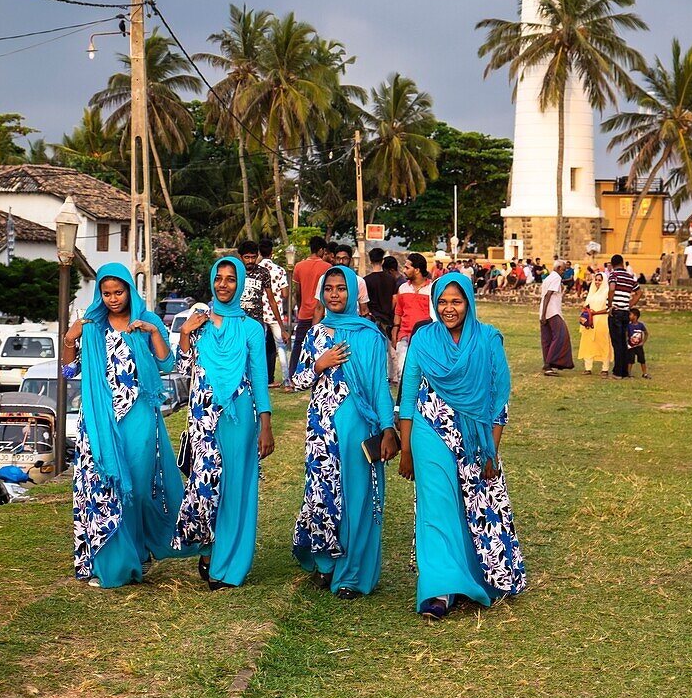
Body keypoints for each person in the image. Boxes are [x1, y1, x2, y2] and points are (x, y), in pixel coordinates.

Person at [398, 272, 526, 620]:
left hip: (475, 439)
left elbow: (498, 401)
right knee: (436, 509)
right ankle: (439, 590)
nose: (448, 308)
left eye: (456, 301)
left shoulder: (488, 340)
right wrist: (407, 448)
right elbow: (408, 395)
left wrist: (491, 451)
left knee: (473, 506)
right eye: (442, 301)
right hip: (430, 431)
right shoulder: (424, 339)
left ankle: (473, 576)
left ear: (469, 302)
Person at [67, 262, 189, 588]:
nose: (112, 299)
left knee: (137, 488)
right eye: (106, 293)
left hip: (139, 414)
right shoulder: (92, 325)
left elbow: (167, 362)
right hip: (101, 417)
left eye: (118, 292)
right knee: (108, 488)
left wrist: (153, 333)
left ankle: (144, 549)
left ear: (129, 290)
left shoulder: (145, 320)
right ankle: (120, 564)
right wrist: (69, 339)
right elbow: (69, 369)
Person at [292, 266, 397, 598]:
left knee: (358, 498)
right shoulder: (315, 334)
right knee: (323, 495)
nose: (335, 294)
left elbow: (380, 387)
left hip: (359, 428)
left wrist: (388, 429)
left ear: (353, 293)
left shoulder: (370, 335)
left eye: (341, 288)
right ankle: (326, 564)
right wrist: (318, 364)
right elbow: (297, 381)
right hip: (322, 429)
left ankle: (351, 574)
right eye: (329, 289)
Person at [172, 257, 274, 589]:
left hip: (239, 415)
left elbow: (259, 377)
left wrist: (266, 422)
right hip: (202, 415)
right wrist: (185, 334)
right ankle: (207, 548)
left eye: (231, 279)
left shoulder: (251, 328)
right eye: (219, 278)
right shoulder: (197, 322)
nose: (224, 284)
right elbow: (184, 367)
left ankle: (229, 564)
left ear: (240, 283)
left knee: (235, 488)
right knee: (204, 485)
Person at [289, 236, 330, 381]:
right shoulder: (327, 267)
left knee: (298, 345)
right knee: (321, 346)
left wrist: (300, 307)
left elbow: (298, 291)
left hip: (304, 312)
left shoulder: (299, 266)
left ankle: (293, 375)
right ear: (320, 250)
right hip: (321, 313)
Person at [392, 253, 433, 382]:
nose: (404, 271)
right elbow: (398, 312)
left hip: (425, 338)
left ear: (417, 270)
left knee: (423, 377)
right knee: (403, 374)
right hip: (404, 336)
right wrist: (395, 334)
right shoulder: (403, 288)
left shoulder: (432, 289)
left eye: (407, 267)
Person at [258, 238, 290, 389]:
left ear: (259, 252)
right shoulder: (279, 270)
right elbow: (284, 293)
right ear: (272, 252)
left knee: (256, 347)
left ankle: (258, 380)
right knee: (280, 347)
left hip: (257, 313)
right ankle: (286, 379)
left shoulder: (255, 270)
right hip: (274, 313)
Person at [607, 254, 641, 379]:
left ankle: (617, 372)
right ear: (622, 263)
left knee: (617, 343)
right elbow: (638, 292)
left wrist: (610, 305)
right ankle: (624, 371)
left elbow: (611, 289)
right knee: (623, 341)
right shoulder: (629, 276)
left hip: (615, 312)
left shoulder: (613, 275)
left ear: (612, 264)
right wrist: (630, 304)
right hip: (625, 312)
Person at [539, 261, 574, 376]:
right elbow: (548, 295)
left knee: (547, 339)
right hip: (552, 312)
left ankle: (547, 365)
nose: (564, 272)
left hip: (546, 312)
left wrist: (543, 314)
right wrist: (545, 314)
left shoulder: (548, 278)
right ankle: (549, 363)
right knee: (561, 336)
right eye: (563, 270)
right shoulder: (556, 278)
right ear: (558, 268)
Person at [578, 271, 613, 377]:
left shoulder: (607, 292)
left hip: (602, 321)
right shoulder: (591, 292)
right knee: (588, 343)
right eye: (596, 280)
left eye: (600, 280)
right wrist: (585, 312)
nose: (597, 282)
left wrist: (595, 313)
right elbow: (587, 305)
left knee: (604, 344)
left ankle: (605, 368)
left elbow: (609, 309)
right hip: (590, 321)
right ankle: (588, 368)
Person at [364, 247, 397, 337]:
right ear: (382, 261)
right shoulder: (391, 279)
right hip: (388, 319)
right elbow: (395, 298)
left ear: (370, 261)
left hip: (372, 319)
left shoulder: (366, 280)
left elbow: (364, 301)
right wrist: (388, 310)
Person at [627, 308, 651, 379]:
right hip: (631, 346)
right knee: (630, 360)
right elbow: (626, 334)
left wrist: (643, 342)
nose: (629, 316)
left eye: (630, 315)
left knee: (642, 360)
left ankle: (645, 373)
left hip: (639, 346)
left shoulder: (641, 325)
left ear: (635, 316)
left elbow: (646, 333)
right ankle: (629, 373)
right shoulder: (628, 326)